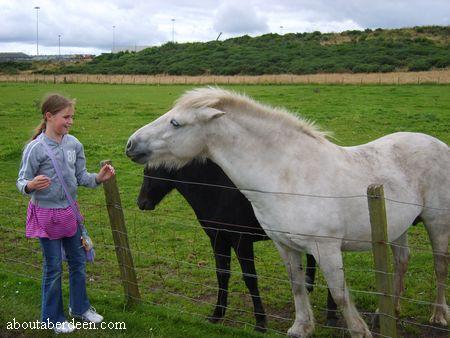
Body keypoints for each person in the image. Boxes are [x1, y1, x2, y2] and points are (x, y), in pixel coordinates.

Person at [16, 93, 115, 334]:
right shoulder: (35, 148)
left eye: (72, 117)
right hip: (46, 217)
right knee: (53, 267)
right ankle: (52, 318)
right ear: (48, 116)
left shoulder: (75, 144)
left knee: (79, 263)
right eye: (66, 117)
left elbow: (81, 177)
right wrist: (30, 186)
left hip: (71, 214)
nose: (70, 122)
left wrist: (98, 178)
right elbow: (21, 181)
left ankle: (79, 308)